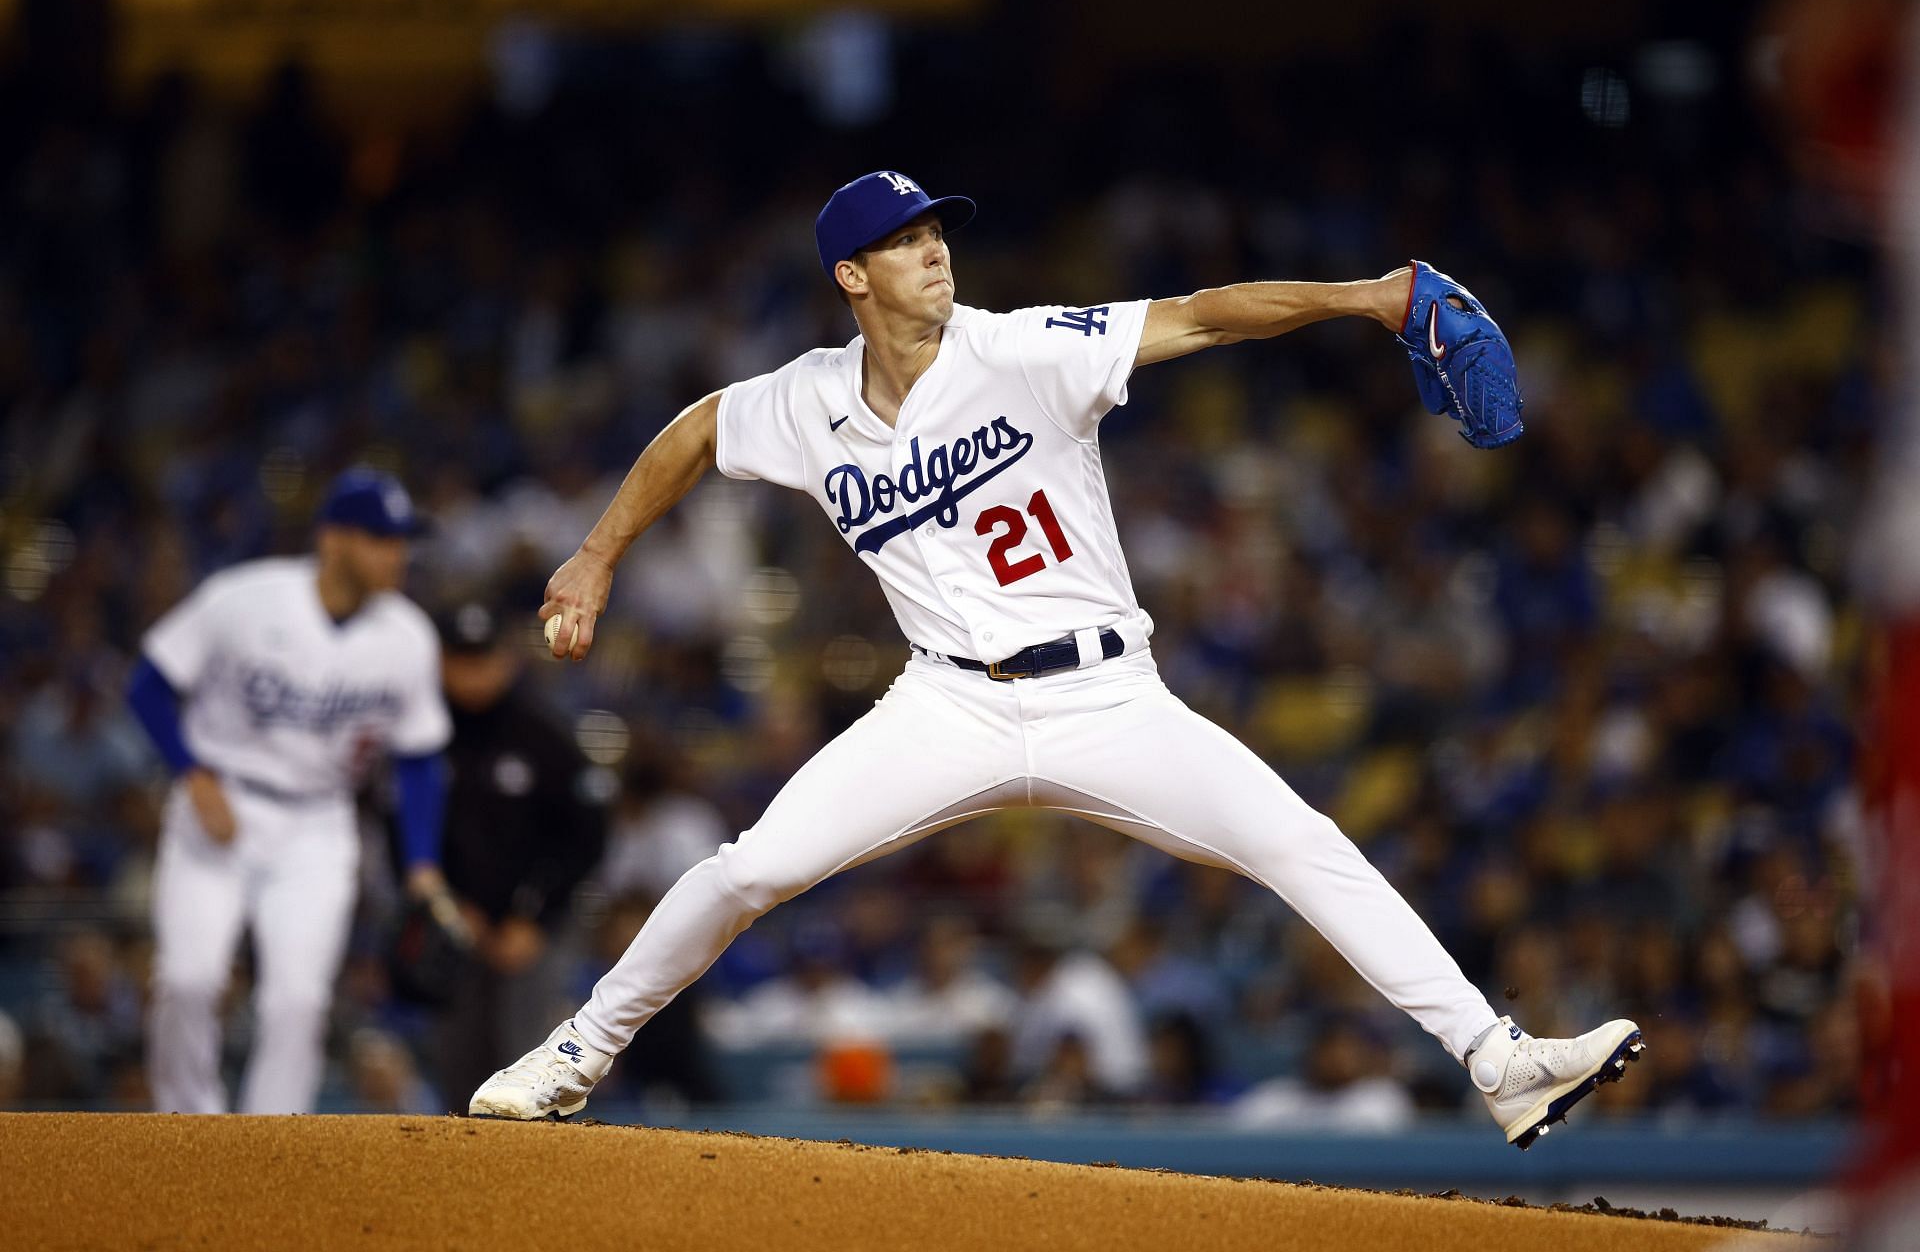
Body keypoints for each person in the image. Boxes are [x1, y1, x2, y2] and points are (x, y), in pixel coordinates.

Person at [469, 170, 1643, 1148]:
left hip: (1107, 695)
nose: (934, 252)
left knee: (1301, 840)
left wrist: (1374, 296)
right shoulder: (807, 399)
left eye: (936, 231)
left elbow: (1206, 311)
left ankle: (1501, 1059)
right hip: (943, 704)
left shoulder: (1025, 349)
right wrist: (596, 552)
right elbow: (692, 432)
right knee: (746, 870)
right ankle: (577, 1050)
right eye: (904, 240)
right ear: (851, 276)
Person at [126, 467, 453, 1113]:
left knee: (297, 999)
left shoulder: (408, 636)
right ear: (333, 540)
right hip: (219, 801)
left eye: (402, 539)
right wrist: (192, 771)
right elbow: (149, 684)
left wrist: (421, 865)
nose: (398, 554)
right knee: (189, 980)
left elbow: (419, 759)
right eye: (381, 538)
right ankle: (185, 1126)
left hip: (319, 823)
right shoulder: (244, 599)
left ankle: (272, 1142)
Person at [428, 600, 606, 1107]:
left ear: (507, 659)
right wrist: (443, 903)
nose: (473, 672)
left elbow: (589, 835)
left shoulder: (543, 736)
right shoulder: (425, 734)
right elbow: (401, 826)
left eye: (483, 658)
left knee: (528, 1056)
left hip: (533, 928)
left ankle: (534, 1176)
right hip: (455, 922)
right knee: (458, 1058)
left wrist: (540, 917)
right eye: (461, 658)